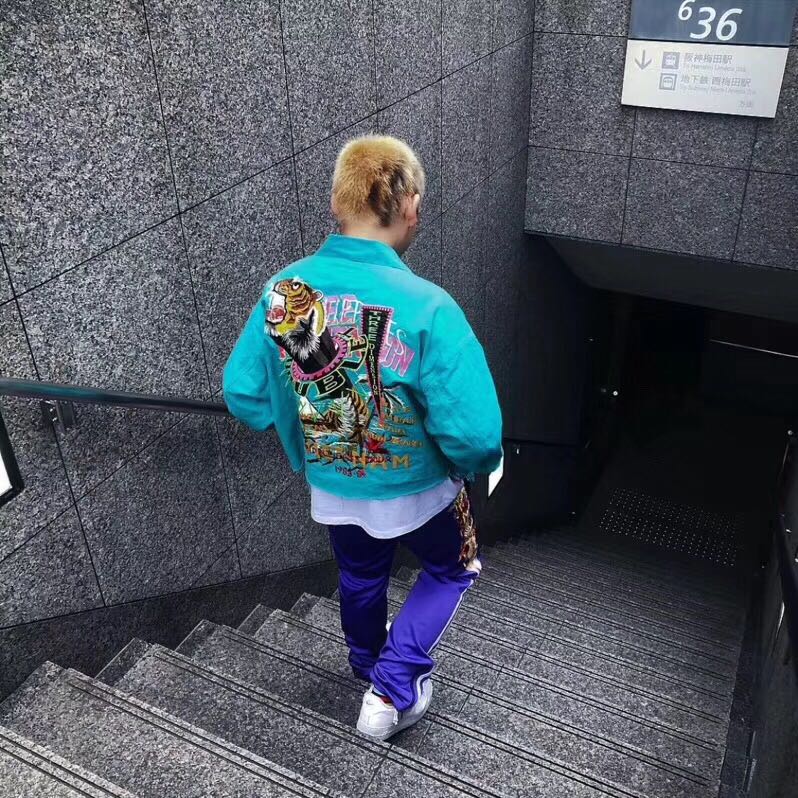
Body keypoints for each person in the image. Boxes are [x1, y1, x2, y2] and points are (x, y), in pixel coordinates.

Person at [223, 135, 502, 741]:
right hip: (420, 489)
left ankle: (366, 662)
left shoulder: (283, 290)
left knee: (360, 575)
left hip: (334, 483)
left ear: (337, 203)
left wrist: (306, 428)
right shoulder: (430, 308)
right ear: (409, 206)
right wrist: (461, 465)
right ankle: (392, 689)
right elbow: (478, 438)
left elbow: (244, 394)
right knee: (453, 568)